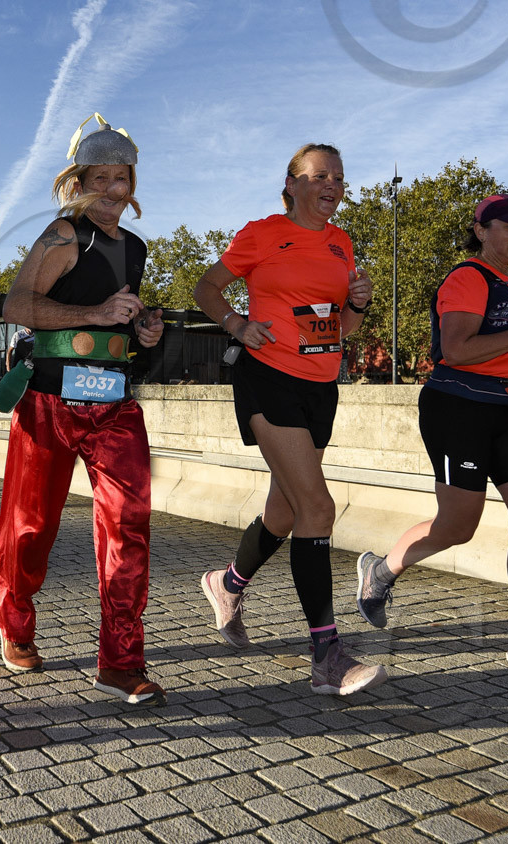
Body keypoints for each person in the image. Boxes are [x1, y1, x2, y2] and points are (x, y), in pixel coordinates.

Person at [353, 194, 508, 676]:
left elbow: (502, 343)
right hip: (458, 408)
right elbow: (458, 350)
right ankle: (380, 570)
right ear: (482, 231)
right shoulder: (468, 278)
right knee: (458, 526)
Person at [193, 144, 386, 698]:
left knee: (284, 510)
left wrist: (358, 303)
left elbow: (341, 328)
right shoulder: (263, 234)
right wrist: (237, 323)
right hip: (268, 378)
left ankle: (227, 583)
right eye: (320, 176)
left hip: (320, 387)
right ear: (292, 184)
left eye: (339, 178)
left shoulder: (341, 242)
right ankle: (327, 656)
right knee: (317, 507)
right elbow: (206, 287)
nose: (333, 185)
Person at [0, 113, 166, 704]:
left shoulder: (136, 247)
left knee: (129, 527)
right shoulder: (63, 235)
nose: (114, 190)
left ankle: (120, 662)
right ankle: (15, 623)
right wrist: (95, 314)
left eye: (122, 178)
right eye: (101, 178)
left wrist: (143, 330)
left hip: (114, 404)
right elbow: (17, 306)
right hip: (47, 402)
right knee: (30, 527)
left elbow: (117, 315)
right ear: (78, 183)